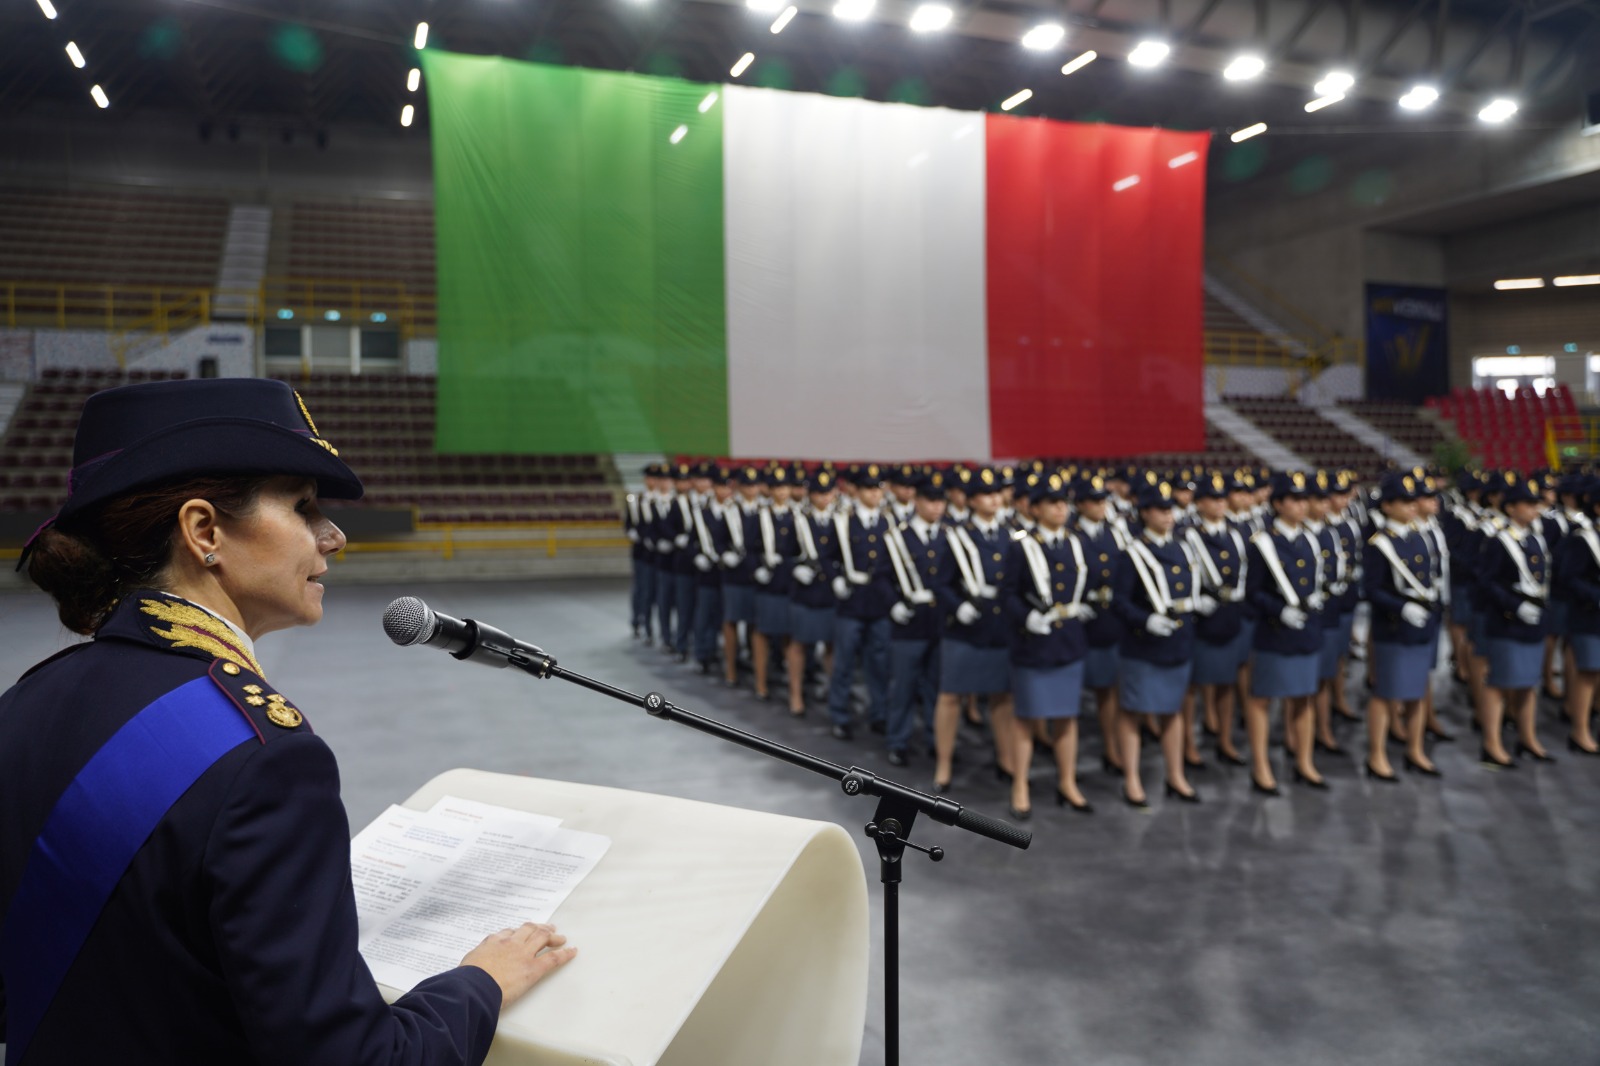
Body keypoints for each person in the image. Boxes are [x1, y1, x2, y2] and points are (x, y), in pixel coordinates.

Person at [0, 378, 574, 1064]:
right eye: (303, 507)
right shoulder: (265, 758)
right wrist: (480, 982)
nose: (334, 536)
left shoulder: (28, 699)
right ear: (204, 531)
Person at [1002, 472, 1094, 818]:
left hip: (1068, 640)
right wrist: (1027, 618)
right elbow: (1008, 594)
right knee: (1026, 717)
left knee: (1067, 717)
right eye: (1052, 503)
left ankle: (1067, 781)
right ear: (1035, 508)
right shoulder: (1021, 545)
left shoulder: (1076, 542)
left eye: (1063, 503)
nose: (1060, 509)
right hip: (1033, 643)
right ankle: (1020, 784)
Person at [1114, 479, 1204, 807]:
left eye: (1170, 509)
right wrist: (1145, 620)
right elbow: (1119, 601)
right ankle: (1132, 779)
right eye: (1160, 509)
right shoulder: (1133, 553)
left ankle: (1175, 775)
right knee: (1133, 712)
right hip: (1143, 645)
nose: (1168, 515)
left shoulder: (1182, 548)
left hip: (1177, 641)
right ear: (1145, 513)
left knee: (1172, 710)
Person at [931, 467, 1017, 791]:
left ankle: (1006, 758)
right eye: (985, 494)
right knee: (951, 696)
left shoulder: (1011, 534)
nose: (994, 499)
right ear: (971, 500)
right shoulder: (957, 536)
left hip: (1000, 626)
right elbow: (941, 583)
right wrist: (958, 606)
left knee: (1002, 697)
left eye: (996, 493)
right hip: (965, 628)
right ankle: (944, 764)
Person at [1243, 471, 1329, 794]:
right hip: (1275, 632)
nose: (1301, 505)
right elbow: (1252, 592)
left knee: (1303, 698)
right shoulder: (1263, 543)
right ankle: (1261, 767)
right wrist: (1280, 611)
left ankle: (1304, 762)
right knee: (1262, 700)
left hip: (1305, 631)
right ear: (1277, 504)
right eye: (1294, 499)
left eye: (1304, 499)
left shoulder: (1311, 539)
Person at [1362, 472, 1443, 781]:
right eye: (1404, 502)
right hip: (1393, 629)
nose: (1412, 506)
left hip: (1421, 626)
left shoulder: (1419, 536)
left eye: (1413, 501)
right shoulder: (1379, 543)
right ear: (1387, 506)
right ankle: (1377, 755)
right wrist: (1402, 607)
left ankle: (1415, 749)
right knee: (1386, 694)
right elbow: (1372, 589)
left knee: (1417, 691)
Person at [1476, 474, 1554, 767]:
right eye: (1527, 503)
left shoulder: (1535, 539)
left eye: (1536, 503)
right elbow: (1487, 582)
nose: (1534, 509)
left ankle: (1528, 738)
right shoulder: (1499, 541)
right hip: (1507, 623)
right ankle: (1491, 743)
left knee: (1528, 683)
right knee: (1499, 683)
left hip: (1532, 622)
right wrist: (1515, 605)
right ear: (1510, 508)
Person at [884, 473, 954, 767]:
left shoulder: (950, 535)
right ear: (917, 501)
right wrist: (893, 604)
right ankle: (898, 741)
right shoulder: (898, 536)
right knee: (903, 687)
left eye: (941, 501)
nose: (937, 507)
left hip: (939, 622)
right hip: (909, 623)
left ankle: (936, 740)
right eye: (931, 501)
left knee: (936, 687)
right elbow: (882, 577)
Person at [1184, 472, 1251, 768]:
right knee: (1193, 687)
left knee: (1226, 682)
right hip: (1200, 621)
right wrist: (1195, 600)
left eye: (1222, 498)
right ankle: (1189, 744)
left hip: (1229, 617)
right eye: (1212, 499)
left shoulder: (1236, 534)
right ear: (1199, 503)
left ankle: (1225, 740)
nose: (1219, 504)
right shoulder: (1188, 536)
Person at [824, 463, 895, 740]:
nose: (874, 494)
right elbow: (827, 556)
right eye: (868, 488)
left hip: (880, 601)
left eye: (878, 488)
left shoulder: (889, 522)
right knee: (844, 662)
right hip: (852, 600)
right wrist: (836, 579)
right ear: (857, 491)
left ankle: (879, 713)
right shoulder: (843, 521)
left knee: (879, 663)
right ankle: (839, 714)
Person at [1069, 474, 1130, 775]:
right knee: (1069, 693)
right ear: (1080, 504)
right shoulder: (1071, 535)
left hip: (1108, 621)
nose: (1100, 506)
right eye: (1093, 501)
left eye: (1103, 500)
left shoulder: (1115, 533)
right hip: (1078, 622)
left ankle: (1111, 747)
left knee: (1109, 688)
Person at [787, 468, 840, 716]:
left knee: (832, 645)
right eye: (818, 493)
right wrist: (795, 568)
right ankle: (795, 695)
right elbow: (784, 552)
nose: (823, 498)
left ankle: (833, 691)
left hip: (830, 591)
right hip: (806, 593)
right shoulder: (799, 520)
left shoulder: (841, 519)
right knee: (799, 644)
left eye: (827, 493)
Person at [1554, 477, 1600, 756]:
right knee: (1588, 672)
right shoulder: (1584, 538)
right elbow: (1569, 577)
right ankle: (1579, 731)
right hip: (1589, 616)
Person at [751, 466, 799, 702]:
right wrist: (756, 568)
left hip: (791, 583)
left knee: (791, 636)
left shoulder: (798, 515)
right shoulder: (760, 515)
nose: (782, 491)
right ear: (769, 490)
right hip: (768, 583)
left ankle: (793, 689)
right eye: (777, 487)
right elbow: (749, 546)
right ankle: (760, 683)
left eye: (785, 487)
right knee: (763, 633)